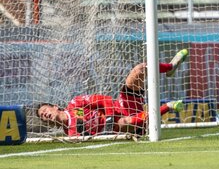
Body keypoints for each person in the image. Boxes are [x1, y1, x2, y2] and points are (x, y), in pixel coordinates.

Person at [36, 49, 189, 136]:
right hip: (118, 126)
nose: (45, 114)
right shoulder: (71, 134)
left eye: (44, 110)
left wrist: (109, 116)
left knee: (139, 69)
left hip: (121, 105)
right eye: (42, 117)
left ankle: (170, 67)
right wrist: (110, 127)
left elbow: (104, 100)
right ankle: (167, 107)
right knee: (124, 123)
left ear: (55, 106)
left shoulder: (75, 104)